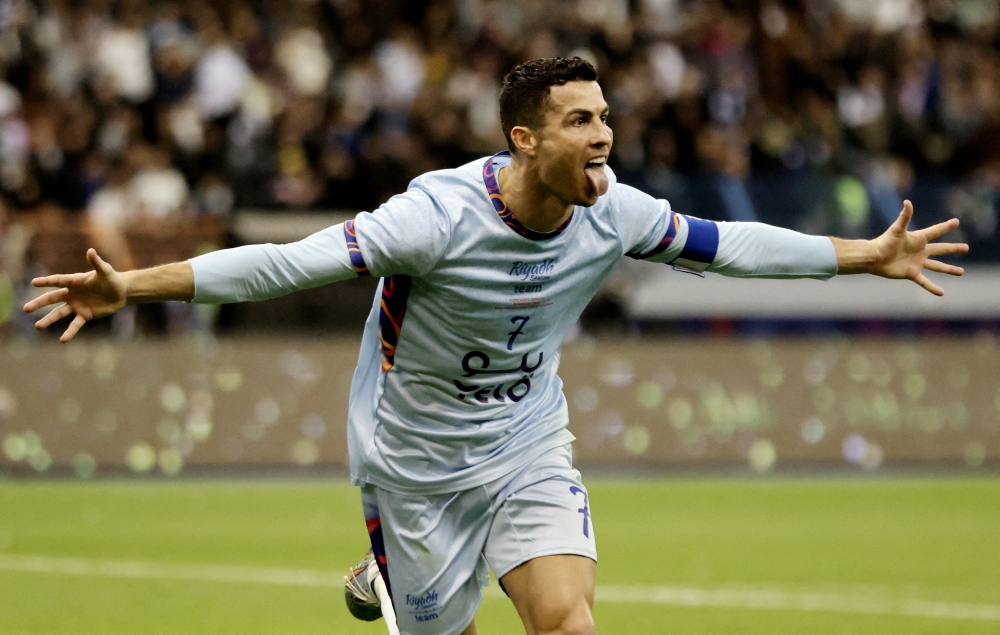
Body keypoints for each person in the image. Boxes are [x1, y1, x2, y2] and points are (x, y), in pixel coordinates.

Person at [24, 58, 967, 635]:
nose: (604, 137)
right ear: (524, 138)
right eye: (580, 122)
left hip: (526, 447)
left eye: (605, 118)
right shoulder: (432, 219)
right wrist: (132, 287)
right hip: (415, 467)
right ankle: (390, 568)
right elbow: (283, 263)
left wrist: (864, 255)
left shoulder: (615, 210)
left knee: (570, 621)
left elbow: (734, 246)